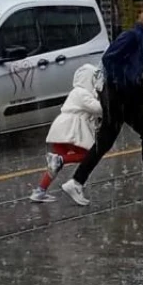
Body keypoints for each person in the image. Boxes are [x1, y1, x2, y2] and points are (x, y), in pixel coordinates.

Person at [62, 7, 143, 206]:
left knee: (106, 141)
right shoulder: (133, 38)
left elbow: (136, 72)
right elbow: (109, 59)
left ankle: (76, 181)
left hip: (123, 97)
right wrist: (123, 84)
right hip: (119, 96)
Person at [31, 64, 104, 203]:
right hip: (70, 130)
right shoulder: (82, 93)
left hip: (61, 130)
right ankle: (61, 161)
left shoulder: (77, 92)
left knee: (55, 165)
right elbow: (97, 108)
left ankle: (40, 191)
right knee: (87, 156)